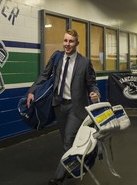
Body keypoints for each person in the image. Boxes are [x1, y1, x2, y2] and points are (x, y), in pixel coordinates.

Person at [26, 29, 100, 185]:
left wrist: (94, 93)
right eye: (65, 41)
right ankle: (79, 161)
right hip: (59, 105)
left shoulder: (84, 62)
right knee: (67, 141)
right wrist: (32, 90)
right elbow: (44, 75)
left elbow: (92, 83)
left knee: (68, 141)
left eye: (71, 41)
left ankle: (59, 177)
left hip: (76, 107)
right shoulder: (57, 57)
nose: (67, 44)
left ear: (77, 43)